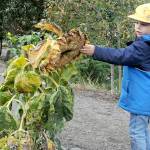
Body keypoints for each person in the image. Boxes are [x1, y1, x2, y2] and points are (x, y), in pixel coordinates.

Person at [80, 3, 150, 150]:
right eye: (137, 22)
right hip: (145, 99)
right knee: (143, 131)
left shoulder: (143, 47)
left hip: (142, 100)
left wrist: (95, 51)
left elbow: (120, 56)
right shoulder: (144, 44)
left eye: (143, 24)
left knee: (137, 132)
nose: (137, 27)